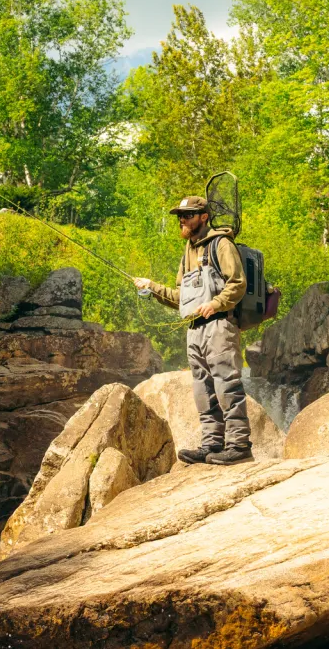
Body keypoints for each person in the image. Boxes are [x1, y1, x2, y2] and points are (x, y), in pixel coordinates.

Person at [133, 195, 252, 465]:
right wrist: (151, 287)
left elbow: (237, 283)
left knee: (227, 384)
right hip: (195, 330)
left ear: (203, 217)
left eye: (187, 215)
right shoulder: (188, 250)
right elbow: (181, 296)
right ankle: (211, 444)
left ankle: (239, 444)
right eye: (180, 216)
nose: (182, 220)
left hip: (220, 325)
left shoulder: (221, 244)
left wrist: (216, 304)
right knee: (203, 389)